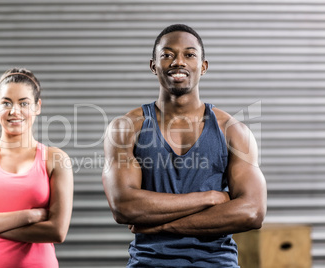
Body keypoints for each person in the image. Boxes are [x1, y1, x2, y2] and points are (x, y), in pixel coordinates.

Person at [102, 24, 267, 267]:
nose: (178, 62)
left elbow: (252, 211)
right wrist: (210, 197)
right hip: (149, 263)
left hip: (216, 262)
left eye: (189, 55)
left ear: (203, 66)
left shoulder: (232, 131)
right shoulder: (127, 128)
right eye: (167, 54)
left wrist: (165, 226)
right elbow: (124, 206)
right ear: (153, 66)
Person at [0, 67, 73, 267]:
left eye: (24, 103)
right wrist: (28, 216)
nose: (14, 111)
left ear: (38, 107)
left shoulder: (56, 159)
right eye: (6, 102)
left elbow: (57, 231)